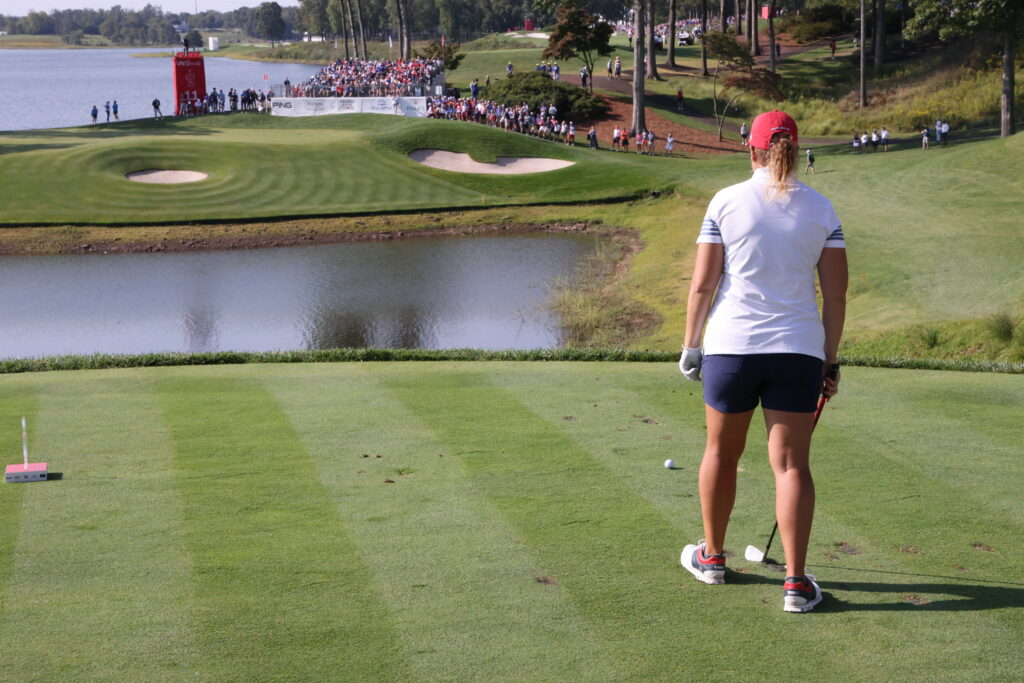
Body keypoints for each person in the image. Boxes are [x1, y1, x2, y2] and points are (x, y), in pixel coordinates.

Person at [679, 109, 847, 614]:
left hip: (730, 348)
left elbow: (703, 285)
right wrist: (830, 360)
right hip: (798, 351)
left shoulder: (726, 201)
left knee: (719, 453)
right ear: (794, 150)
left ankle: (711, 558)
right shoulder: (821, 209)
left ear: (750, 149)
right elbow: (835, 297)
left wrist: (691, 346)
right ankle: (795, 585)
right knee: (792, 466)